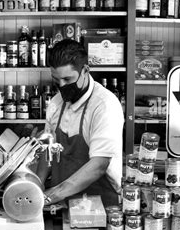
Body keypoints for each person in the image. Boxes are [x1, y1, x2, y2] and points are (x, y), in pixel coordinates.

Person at [37, 39, 124, 208]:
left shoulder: (104, 105)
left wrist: (50, 196)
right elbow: (47, 149)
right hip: (61, 205)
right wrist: (36, 186)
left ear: (85, 70)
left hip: (100, 206)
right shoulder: (56, 103)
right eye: (56, 80)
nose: (61, 87)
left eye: (67, 80)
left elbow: (99, 165)